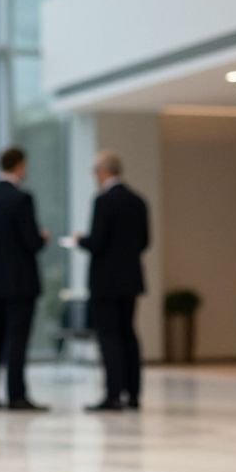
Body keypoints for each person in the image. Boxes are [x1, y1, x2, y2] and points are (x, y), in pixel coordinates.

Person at [0, 146, 50, 411]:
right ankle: (16, 395)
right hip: (21, 281)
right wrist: (42, 238)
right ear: (19, 165)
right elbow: (31, 242)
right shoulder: (21, 199)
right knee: (17, 339)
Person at [72, 150, 150, 412]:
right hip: (130, 280)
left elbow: (97, 242)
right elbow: (145, 242)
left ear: (104, 171)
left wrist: (78, 240)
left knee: (109, 337)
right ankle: (134, 393)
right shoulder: (138, 201)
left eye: (95, 171)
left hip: (106, 282)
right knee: (128, 334)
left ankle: (113, 394)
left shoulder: (103, 201)